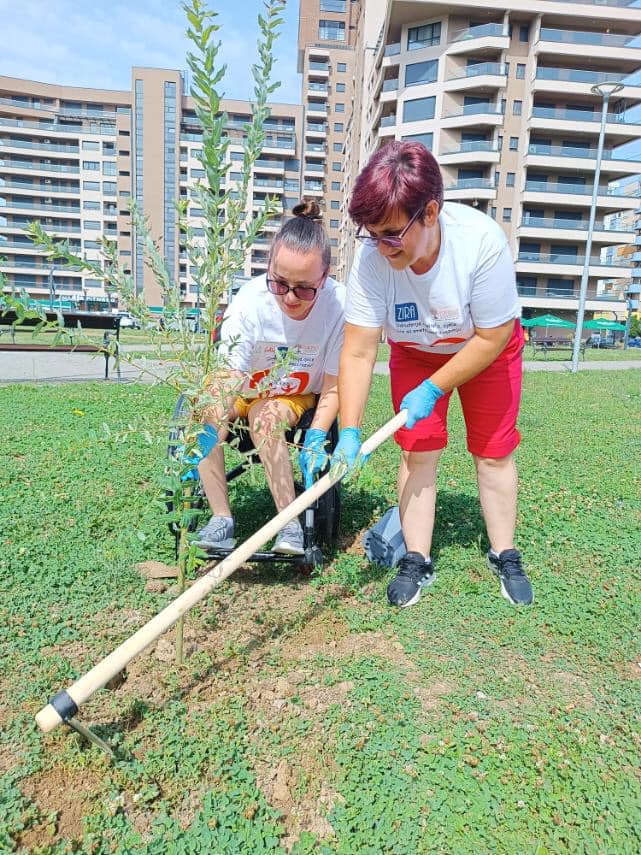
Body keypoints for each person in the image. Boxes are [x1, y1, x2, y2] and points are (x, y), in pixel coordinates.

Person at [332, 141, 533, 607]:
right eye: (372, 234)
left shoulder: (481, 242)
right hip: (415, 351)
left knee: (493, 452)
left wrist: (434, 388)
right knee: (417, 450)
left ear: (430, 213)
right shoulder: (372, 260)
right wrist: (350, 429)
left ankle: (505, 553)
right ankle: (416, 558)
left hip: (487, 349)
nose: (381, 247)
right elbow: (359, 352)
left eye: (391, 234)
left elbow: (493, 336)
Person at [191, 199, 345, 555]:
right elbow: (229, 376)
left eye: (304, 288)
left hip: (294, 395)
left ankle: (288, 525)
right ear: (268, 268)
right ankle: (221, 519)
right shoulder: (250, 301)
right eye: (279, 283)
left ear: (324, 277)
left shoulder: (338, 305)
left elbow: (335, 385)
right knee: (207, 410)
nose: (289, 298)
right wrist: (209, 426)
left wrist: (318, 433)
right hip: (242, 387)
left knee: (266, 416)